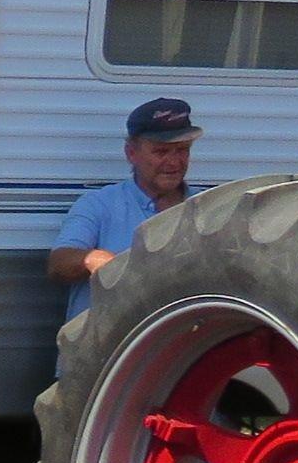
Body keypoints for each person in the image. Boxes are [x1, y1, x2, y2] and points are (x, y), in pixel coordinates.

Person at [51, 98, 201, 318]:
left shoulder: (208, 205)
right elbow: (58, 264)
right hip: (112, 344)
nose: (174, 162)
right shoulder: (99, 204)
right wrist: (94, 259)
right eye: (161, 152)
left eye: (182, 150)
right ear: (131, 153)